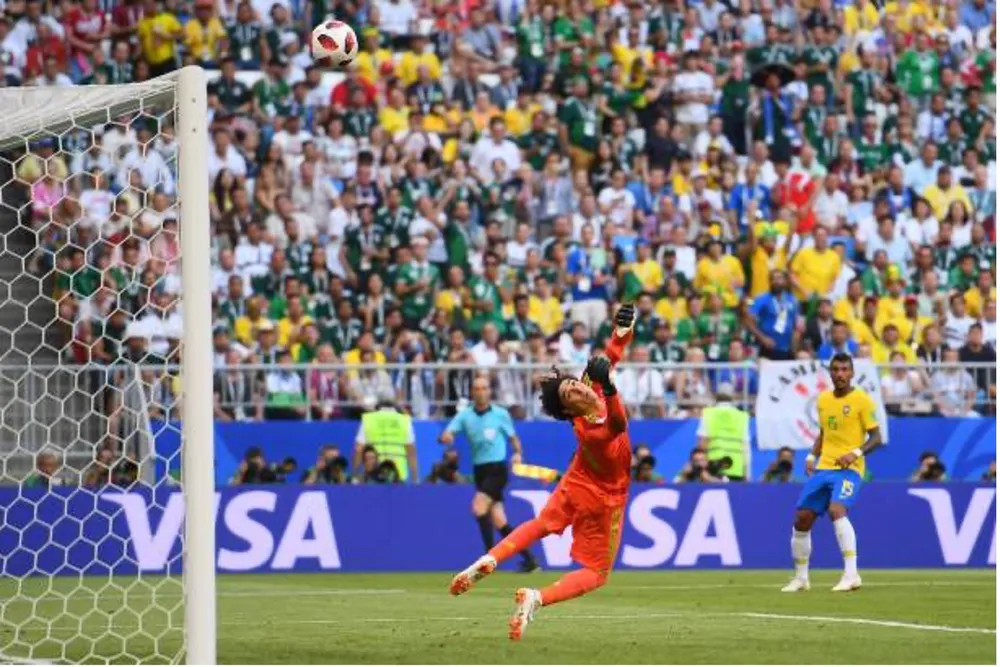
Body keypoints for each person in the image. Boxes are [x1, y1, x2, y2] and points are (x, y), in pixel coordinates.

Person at [447, 303, 636, 640]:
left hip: (578, 478)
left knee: (542, 524)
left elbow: (610, 355)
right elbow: (619, 422)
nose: (578, 387)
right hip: (605, 496)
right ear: (569, 410)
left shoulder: (587, 391)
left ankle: (488, 560)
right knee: (596, 573)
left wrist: (622, 329)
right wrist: (609, 387)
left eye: (573, 384)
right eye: (570, 393)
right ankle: (538, 597)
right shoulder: (594, 430)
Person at [782, 353, 882, 593]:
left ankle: (851, 574)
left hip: (849, 469)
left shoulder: (862, 400)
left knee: (836, 510)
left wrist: (855, 453)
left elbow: (877, 436)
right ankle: (801, 578)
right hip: (824, 467)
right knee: (802, 518)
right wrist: (810, 455)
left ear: (852, 373)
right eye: (835, 369)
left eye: (844, 369)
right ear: (830, 372)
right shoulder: (824, 400)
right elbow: (825, 433)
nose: (840, 374)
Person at [439, 375, 539, 572]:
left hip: (497, 469)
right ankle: (530, 561)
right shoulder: (465, 416)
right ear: (472, 392)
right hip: (480, 471)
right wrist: (446, 437)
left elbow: (513, 438)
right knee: (499, 520)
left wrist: (518, 454)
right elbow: (448, 433)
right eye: (477, 388)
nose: (481, 392)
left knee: (478, 507)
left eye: (484, 388)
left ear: (489, 392)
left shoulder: (500, 414)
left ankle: (488, 560)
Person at [353, 400, 418, 483]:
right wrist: (415, 478)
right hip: (398, 473)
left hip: (374, 472)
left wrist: (355, 474)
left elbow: (358, 449)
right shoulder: (404, 420)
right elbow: (411, 451)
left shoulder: (368, 419)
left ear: (377, 408)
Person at [696, 382, 751, 481]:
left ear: (716, 396)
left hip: (714, 468)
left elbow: (702, 444)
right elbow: (745, 448)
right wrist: (747, 474)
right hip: (736, 469)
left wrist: (702, 470)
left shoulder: (708, 414)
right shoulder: (742, 416)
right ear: (733, 396)